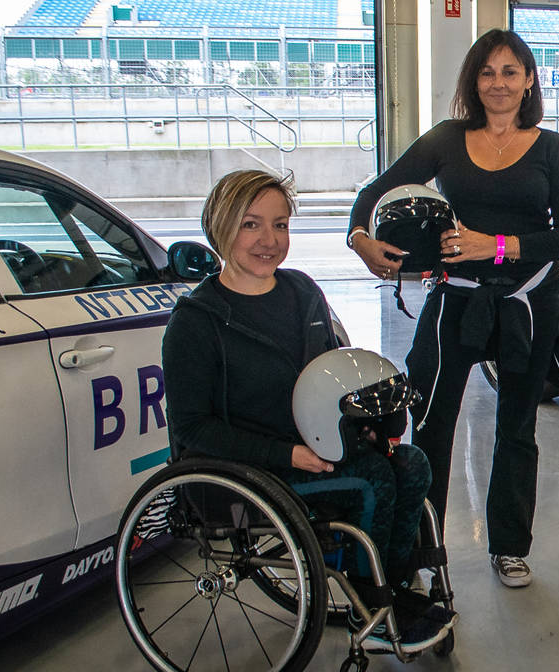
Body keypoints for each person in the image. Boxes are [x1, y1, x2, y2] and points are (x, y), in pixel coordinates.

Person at [162, 169, 451, 643]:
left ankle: (394, 582)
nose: (269, 240)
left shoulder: (302, 293)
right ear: (220, 227)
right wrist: (287, 455)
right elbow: (192, 429)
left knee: (412, 463)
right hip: (247, 470)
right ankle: (373, 599)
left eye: (280, 225)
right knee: (372, 479)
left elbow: (332, 379)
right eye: (250, 224)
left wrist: (374, 428)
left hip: (315, 444)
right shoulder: (197, 322)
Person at [347, 29, 559, 588]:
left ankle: (508, 546)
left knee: (516, 428)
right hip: (457, 298)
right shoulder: (447, 140)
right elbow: (374, 191)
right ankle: (420, 549)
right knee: (429, 422)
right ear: (472, 81)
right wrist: (360, 237)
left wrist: (495, 245)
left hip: (529, 302)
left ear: (529, 80)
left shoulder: (551, 148)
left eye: (510, 71)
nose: (498, 83)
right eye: (487, 72)